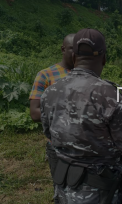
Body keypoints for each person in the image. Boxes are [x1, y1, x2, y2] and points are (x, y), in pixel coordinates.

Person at [40, 28, 122, 204]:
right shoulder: (109, 93)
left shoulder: (50, 91)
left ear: (73, 58)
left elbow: (48, 133)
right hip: (97, 192)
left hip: (63, 185)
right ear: (104, 59)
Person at [29, 33, 75, 204]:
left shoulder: (85, 74)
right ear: (63, 49)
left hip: (84, 148)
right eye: (72, 49)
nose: (76, 54)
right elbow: (35, 112)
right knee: (61, 191)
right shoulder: (46, 75)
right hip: (57, 147)